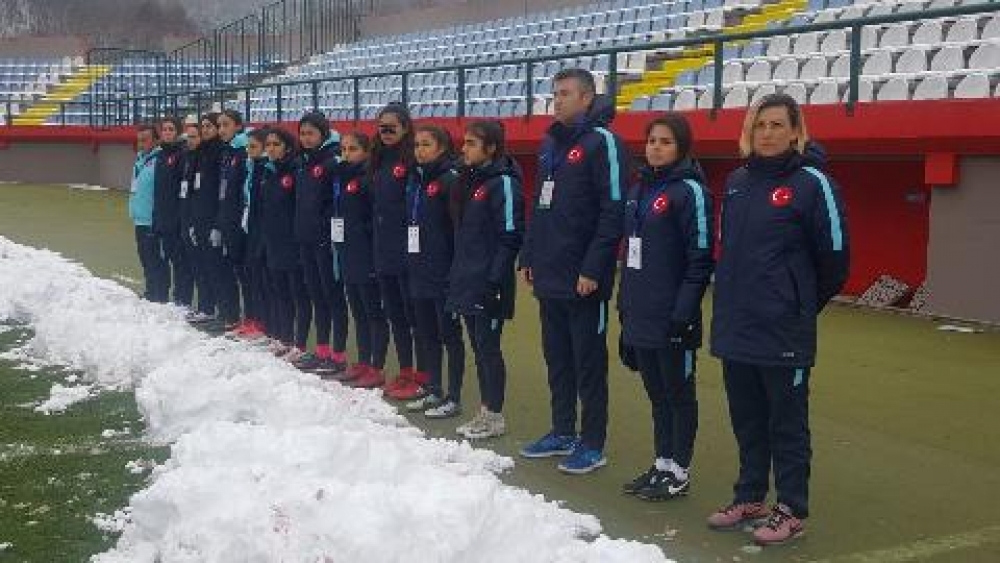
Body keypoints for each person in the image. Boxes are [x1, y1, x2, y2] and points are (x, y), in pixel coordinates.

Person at [707, 94, 850, 545]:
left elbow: (836, 260)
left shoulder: (813, 183)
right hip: (736, 325)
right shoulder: (736, 181)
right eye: (760, 125)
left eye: (776, 125)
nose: (767, 133)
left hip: (782, 328)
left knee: (786, 423)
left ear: (795, 132)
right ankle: (749, 497)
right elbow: (726, 249)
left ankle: (790, 509)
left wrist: (798, 303)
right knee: (747, 418)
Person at [518, 68, 628, 474]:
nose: (557, 99)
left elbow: (613, 210)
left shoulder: (604, 143)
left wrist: (594, 268)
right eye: (554, 92)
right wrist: (529, 255)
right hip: (550, 273)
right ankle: (562, 430)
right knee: (558, 358)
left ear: (587, 98)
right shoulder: (550, 143)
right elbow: (539, 204)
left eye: (565, 93)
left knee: (588, 363)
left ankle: (592, 442)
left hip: (584, 279)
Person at [618, 113, 714, 501]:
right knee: (656, 394)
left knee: (679, 394)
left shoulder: (691, 191)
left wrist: (683, 313)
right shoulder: (639, 188)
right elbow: (630, 254)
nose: (655, 147)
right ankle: (661, 464)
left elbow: (701, 258)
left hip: (674, 317)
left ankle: (679, 471)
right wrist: (624, 308)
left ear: (682, 148)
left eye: (665, 142)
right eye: (652, 140)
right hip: (641, 313)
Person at [447, 120, 523, 438]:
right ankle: (484, 410)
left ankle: (495, 415)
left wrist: (493, 282)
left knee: (489, 349)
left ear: (491, 148)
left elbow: (510, 236)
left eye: (471, 144)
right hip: (466, 279)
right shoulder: (468, 180)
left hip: (489, 283)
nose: (463, 149)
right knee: (478, 347)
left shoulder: (503, 183)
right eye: (463, 143)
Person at [399, 124, 466, 412]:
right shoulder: (416, 179)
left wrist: (454, 270)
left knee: (449, 334)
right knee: (427, 333)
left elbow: (458, 230)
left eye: (426, 145)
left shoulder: (450, 180)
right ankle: (433, 387)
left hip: (444, 271)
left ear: (441, 147)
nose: (419, 150)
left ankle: (454, 396)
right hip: (419, 269)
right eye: (416, 145)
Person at [369, 103, 426, 392]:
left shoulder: (413, 161)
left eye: (392, 126)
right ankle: (405, 370)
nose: (387, 131)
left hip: (408, 251)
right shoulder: (377, 161)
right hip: (383, 250)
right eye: (382, 126)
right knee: (396, 316)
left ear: (405, 128)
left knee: (414, 316)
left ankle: (423, 375)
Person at [332, 132, 390, 389]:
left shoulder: (369, 180)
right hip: (348, 253)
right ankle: (363, 361)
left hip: (366, 255)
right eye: (343, 149)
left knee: (373, 313)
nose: (346, 154)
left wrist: (367, 245)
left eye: (353, 149)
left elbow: (374, 219)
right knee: (358, 311)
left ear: (366, 152)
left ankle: (377, 367)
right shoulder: (342, 178)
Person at [293, 111, 349, 375]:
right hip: (305, 239)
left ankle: (338, 355)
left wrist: (328, 233)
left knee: (333, 297)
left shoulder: (332, 162)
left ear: (323, 134)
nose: (305, 138)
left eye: (311, 133)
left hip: (325, 241)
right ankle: (323, 350)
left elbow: (335, 204)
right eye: (302, 134)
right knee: (317, 296)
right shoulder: (303, 162)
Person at [260, 127, 312, 358]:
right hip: (274, 241)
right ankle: (283, 337)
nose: (271, 148)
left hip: (293, 243)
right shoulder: (268, 171)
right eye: (268, 144)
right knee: (279, 291)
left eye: (276, 144)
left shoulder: (296, 170)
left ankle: (299, 344)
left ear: (288, 147)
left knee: (297, 295)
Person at [186, 113, 227, 331]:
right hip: (199, 219)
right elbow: (195, 191)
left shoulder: (221, 153)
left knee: (216, 269)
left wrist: (217, 225)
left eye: (209, 126)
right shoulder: (200, 153)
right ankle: (205, 307)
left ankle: (222, 312)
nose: (206, 130)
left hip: (213, 220)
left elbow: (220, 193)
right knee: (202, 267)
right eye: (203, 126)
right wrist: (193, 221)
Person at [232, 127, 272, 343]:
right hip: (250, 229)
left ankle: (264, 322)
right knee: (251, 277)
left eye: (253, 147)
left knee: (263, 280)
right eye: (247, 146)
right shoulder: (252, 166)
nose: (248, 151)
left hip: (262, 233)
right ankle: (253, 318)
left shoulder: (265, 169)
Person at [153, 116, 194, 308]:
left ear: (178, 132)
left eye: (171, 129)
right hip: (163, 219)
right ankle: (174, 297)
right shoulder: (160, 155)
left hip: (177, 220)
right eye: (164, 129)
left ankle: (182, 300)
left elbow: (183, 191)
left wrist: (181, 219)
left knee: (181, 264)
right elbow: (159, 191)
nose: (167, 132)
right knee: (170, 258)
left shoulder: (182, 154)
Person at [179, 118, 216, 323]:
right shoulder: (188, 157)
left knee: (206, 267)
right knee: (197, 267)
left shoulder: (206, 157)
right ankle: (203, 306)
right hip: (191, 219)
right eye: (189, 137)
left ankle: (208, 308)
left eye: (195, 137)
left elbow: (204, 193)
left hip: (205, 221)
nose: (191, 140)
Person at [216, 109, 249, 332]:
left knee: (244, 275)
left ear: (238, 126)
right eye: (219, 125)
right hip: (227, 220)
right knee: (228, 270)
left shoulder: (243, 152)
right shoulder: (228, 152)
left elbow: (243, 193)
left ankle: (251, 320)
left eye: (225, 125)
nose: (221, 130)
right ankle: (233, 315)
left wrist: (239, 222)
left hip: (240, 224)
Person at [129, 123, 168, 303]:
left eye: (145, 140)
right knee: (145, 259)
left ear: (156, 140)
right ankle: (151, 292)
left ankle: (161, 296)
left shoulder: (160, 159)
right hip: (140, 220)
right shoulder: (140, 159)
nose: (141, 143)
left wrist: (159, 218)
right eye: (139, 140)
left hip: (153, 220)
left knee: (156, 261)